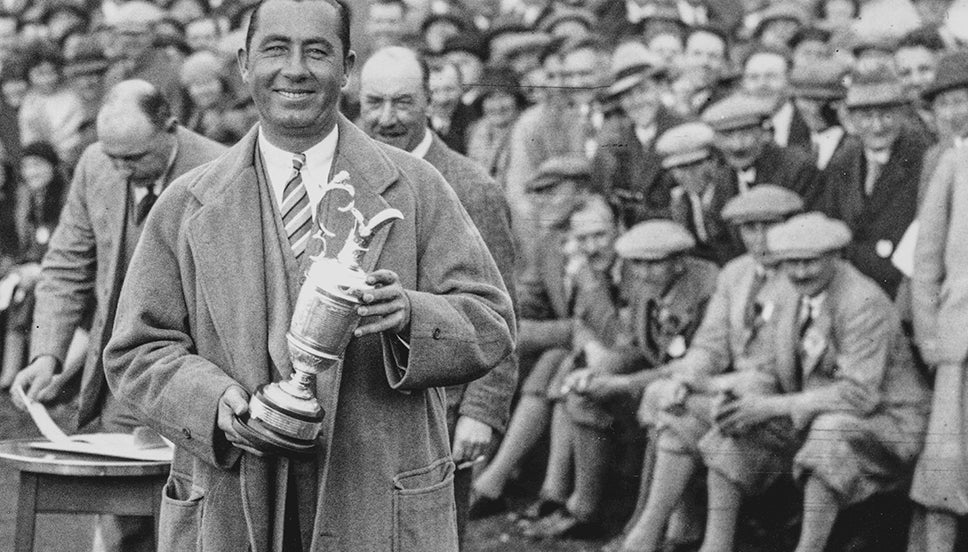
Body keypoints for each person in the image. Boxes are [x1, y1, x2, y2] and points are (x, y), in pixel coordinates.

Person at [102, 2, 515, 551]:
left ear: (346, 69)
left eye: (316, 52)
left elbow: (490, 322)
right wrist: (214, 404)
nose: (295, 69)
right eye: (276, 49)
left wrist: (412, 315)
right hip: (232, 496)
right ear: (245, 63)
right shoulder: (186, 203)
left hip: (378, 494)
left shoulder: (418, 187)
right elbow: (137, 351)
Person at [9, 80, 225, 552]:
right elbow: (66, 266)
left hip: (197, 378)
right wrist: (47, 353)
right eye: (114, 158)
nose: (123, 170)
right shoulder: (95, 164)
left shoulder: (219, 170)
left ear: (170, 128)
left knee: (194, 523)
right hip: (121, 378)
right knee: (122, 521)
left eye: (136, 159)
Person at [688, 212, 928, 552]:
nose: (799, 273)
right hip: (816, 410)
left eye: (809, 263)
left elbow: (860, 394)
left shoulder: (862, 302)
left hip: (888, 423)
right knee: (735, 426)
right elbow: (772, 367)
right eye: (790, 264)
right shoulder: (789, 294)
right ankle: (715, 546)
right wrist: (736, 394)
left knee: (828, 435)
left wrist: (772, 406)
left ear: (835, 257)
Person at [357, 45, 518, 549]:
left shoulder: (471, 187)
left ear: (432, 103)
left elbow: (500, 312)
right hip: (358, 405)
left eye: (403, 103)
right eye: (374, 103)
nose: (387, 118)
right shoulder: (341, 175)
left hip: (440, 410)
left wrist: (482, 411)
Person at [619, 184, 803, 552]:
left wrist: (704, 385)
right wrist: (686, 377)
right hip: (738, 389)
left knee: (686, 411)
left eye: (771, 226)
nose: (760, 239)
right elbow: (711, 344)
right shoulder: (736, 273)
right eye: (750, 228)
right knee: (671, 401)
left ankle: (654, 536)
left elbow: (775, 371)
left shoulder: (801, 275)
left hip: (784, 398)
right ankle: (665, 533)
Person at [525, 220, 719, 540]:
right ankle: (585, 511)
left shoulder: (705, 290)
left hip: (696, 389)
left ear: (680, 262)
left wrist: (625, 384)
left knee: (663, 409)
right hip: (657, 382)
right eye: (637, 263)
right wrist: (600, 372)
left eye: (654, 263)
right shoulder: (646, 286)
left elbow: (696, 364)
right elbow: (633, 345)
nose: (643, 272)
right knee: (582, 396)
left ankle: (653, 530)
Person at [908, 55, 968, 552]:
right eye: (950, 101)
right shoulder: (952, 163)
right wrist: (930, 337)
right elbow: (924, 263)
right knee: (946, 476)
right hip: (961, 341)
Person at [822, 68, 932, 298]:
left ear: (902, 114)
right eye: (866, 116)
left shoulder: (924, 159)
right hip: (853, 292)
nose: (877, 126)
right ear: (850, 119)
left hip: (903, 292)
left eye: (886, 114)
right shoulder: (843, 160)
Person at [0, 142, 68, 388]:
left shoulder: (65, 199)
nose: (31, 172)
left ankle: (38, 374)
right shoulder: (30, 202)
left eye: (37, 165)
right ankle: (10, 374)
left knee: (28, 295)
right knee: (19, 293)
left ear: (52, 167)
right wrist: (20, 268)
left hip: (60, 271)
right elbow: (27, 246)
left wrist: (38, 270)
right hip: (32, 269)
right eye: (26, 166)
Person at [701, 93, 823, 209]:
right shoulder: (723, 180)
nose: (737, 145)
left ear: (765, 134)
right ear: (715, 141)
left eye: (746, 133)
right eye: (727, 135)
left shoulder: (797, 167)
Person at [657, 121, 741, 265]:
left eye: (696, 165)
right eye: (680, 168)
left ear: (713, 161)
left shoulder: (733, 192)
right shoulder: (680, 201)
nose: (689, 175)